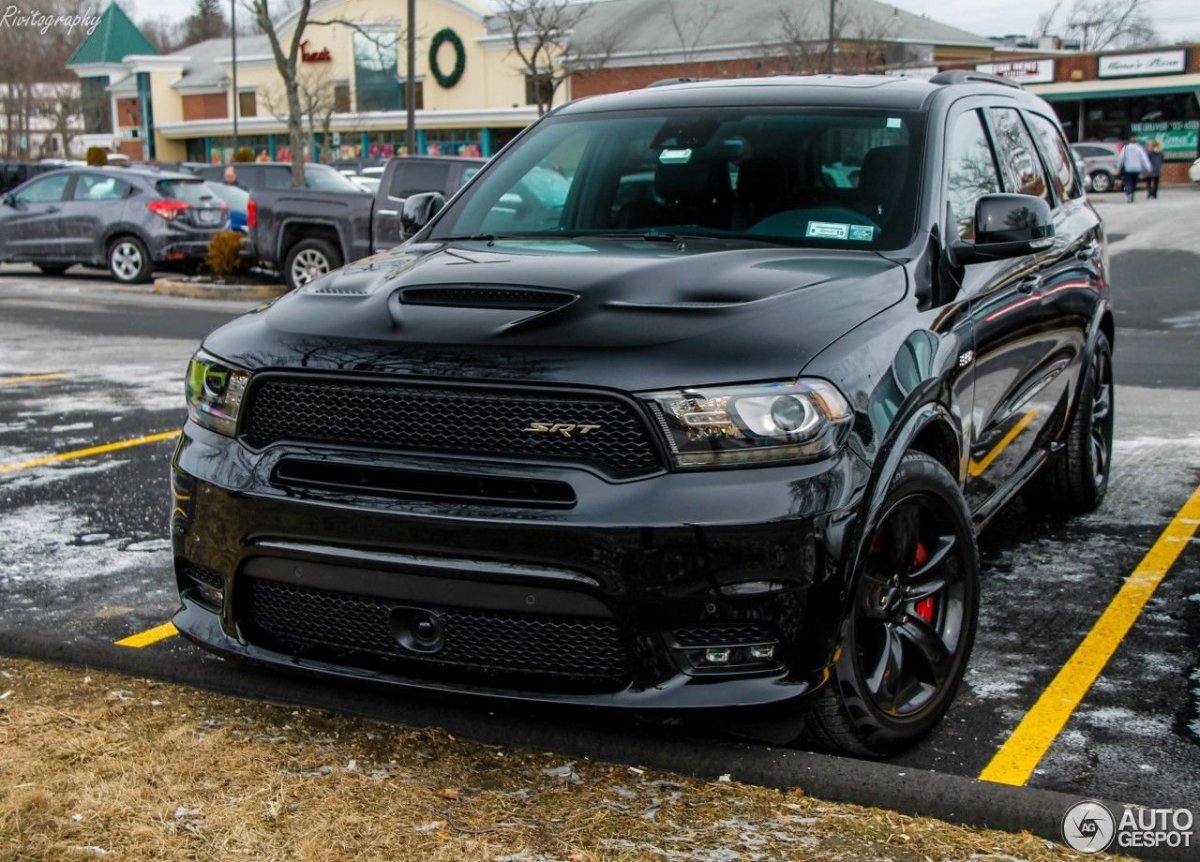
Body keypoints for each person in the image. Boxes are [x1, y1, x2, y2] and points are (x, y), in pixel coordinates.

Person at [1116, 136, 1151, 202]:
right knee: (1134, 182)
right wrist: (1148, 167)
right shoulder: (1139, 148)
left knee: (1128, 182)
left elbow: (1121, 158)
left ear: (1130, 141)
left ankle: (1129, 193)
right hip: (1136, 168)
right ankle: (1132, 192)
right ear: (1136, 142)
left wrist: (1118, 167)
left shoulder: (1125, 148)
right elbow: (1144, 158)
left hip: (1128, 168)